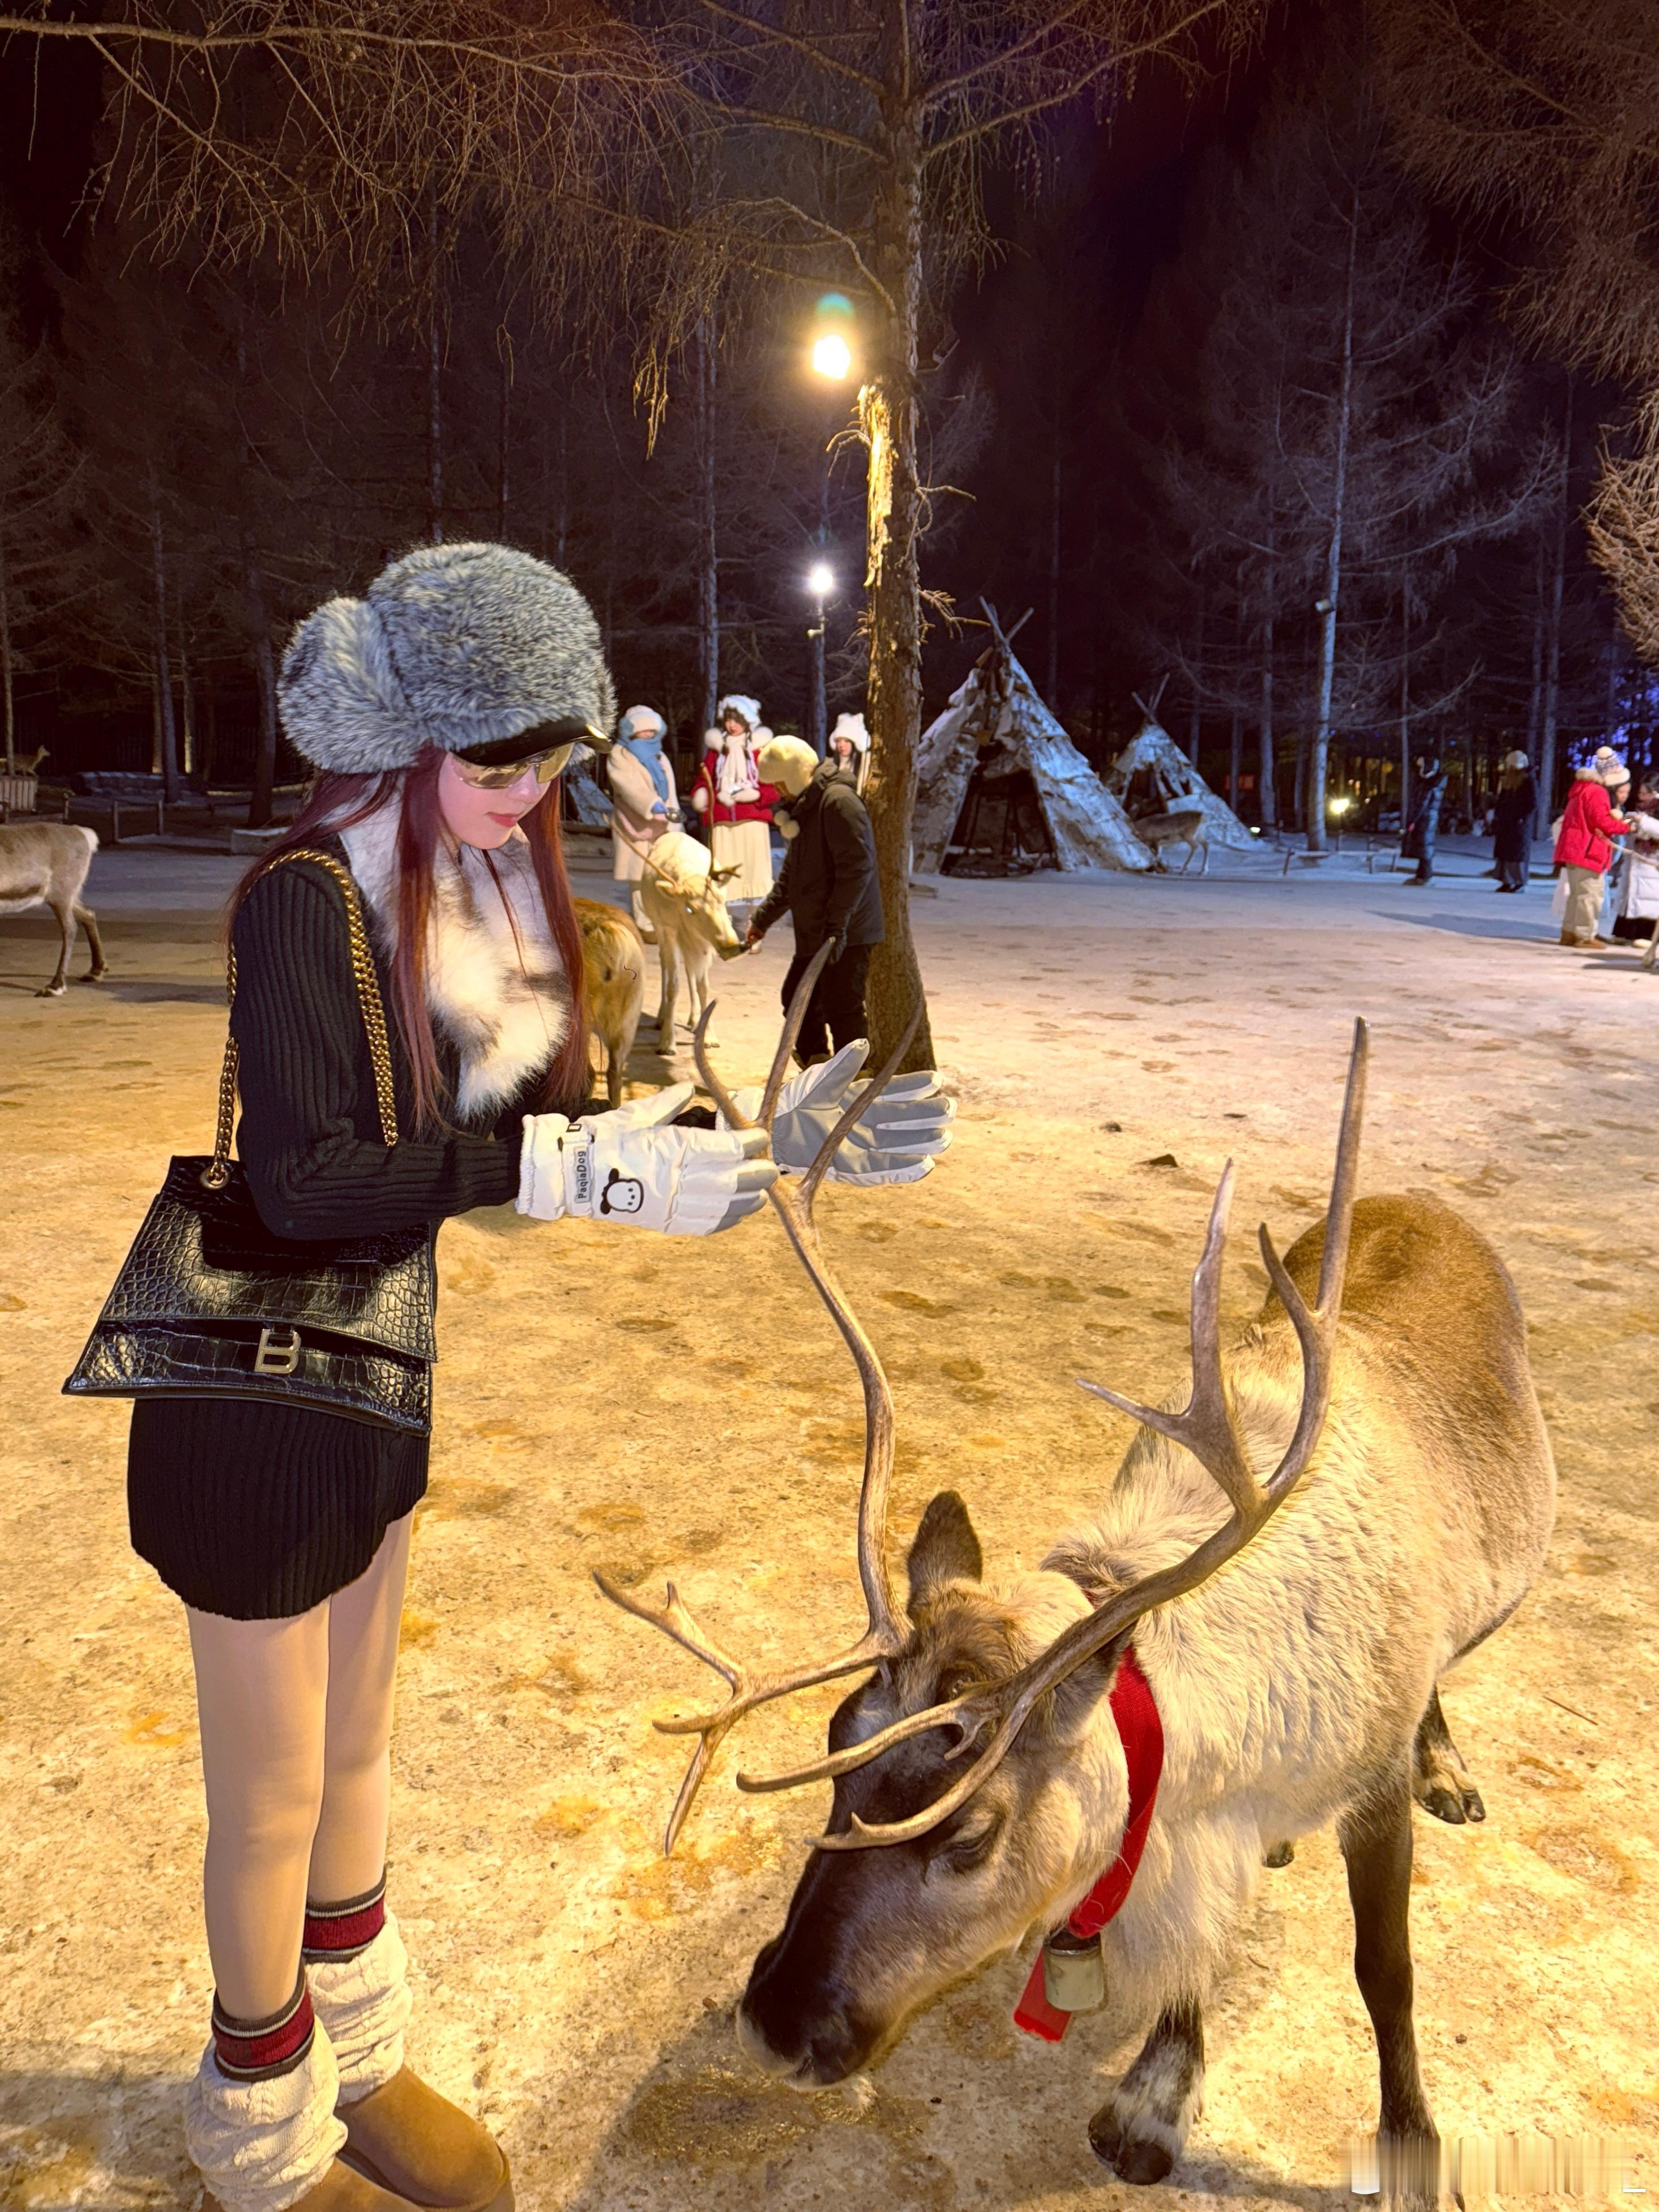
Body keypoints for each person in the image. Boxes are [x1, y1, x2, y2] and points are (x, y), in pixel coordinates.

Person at [123, 544, 945, 2212]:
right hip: (251, 1412)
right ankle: (260, 2139)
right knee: (269, 1794)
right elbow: (305, 1183)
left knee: (355, 1754)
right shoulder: (312, 900)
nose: (530, 796)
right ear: (407, 733)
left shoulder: (470, 899)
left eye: (552, 763)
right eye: (501, 761)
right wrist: (563, 1173)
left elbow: (526, 1142)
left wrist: (772, 1143)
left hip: (368, 1370)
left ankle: (353, 2055)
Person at [746, 735, 883, 1063]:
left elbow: (857, 868)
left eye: (779, 783)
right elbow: (792, 876)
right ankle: (816, 1064)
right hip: (820, 930)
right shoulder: (806, 807)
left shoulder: (838, 802)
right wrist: (763, 919)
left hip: (846, 930)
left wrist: (838, 926)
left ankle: (853, 1079)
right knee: (798, 998)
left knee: (842, 1008)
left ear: (794, 773)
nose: (777, 793)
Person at [688, 694, 777, 902]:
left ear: (748, 722)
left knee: (754, 871)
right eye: (728, 720)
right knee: (724, 872)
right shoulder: (717, 751)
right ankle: (723, 920)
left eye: (737, 720)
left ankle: (754, 924)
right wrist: (702, 794)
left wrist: (757, 795)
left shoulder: (760, 750)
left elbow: (774, 783)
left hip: (752, 819)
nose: (732, 725)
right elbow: (705, 779)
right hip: (723, 820)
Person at [1553, 751, 1633, 947]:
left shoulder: (1582, 788)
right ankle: (1584, 935)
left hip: (1575, 849)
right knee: (1590, 895)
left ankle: (1570, 932)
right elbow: (1601, 821)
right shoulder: (1597, 792)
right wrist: (1626, 827)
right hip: (1587, 850)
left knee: (1578, 894)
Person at [609, 704, 678, 932]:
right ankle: (644, 923)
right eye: (643, 728)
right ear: (632, 729)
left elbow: (670, 787)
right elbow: (627, 785)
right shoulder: (621, 754)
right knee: (638, 873)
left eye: (652, 729)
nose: (648, 733)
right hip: (634, 820)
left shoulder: (659, 754)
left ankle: (659, 918)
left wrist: (671, 811)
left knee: (659, 871)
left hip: (662, 822)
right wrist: (650, 804)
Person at [1611, 774, 1659, 942]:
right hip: (1636, 861)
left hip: (1652, 863)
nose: (1641, 797)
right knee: (1632, 895)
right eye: (1639, 793)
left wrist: (1643, 823)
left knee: (1649, 897)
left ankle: (1646, 934)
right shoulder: (1643, 810)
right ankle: (1625, 932)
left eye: (1644, 793)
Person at [1491, 749, 1538, 892]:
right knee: (1506, 853)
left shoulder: (1529, 780)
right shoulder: (1509, 780)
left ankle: (1519, 882)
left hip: (1519, 824)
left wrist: (1522, 818)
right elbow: (1502, 800)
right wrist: (1498, 815)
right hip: (1507, 822)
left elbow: (1533, 803)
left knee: (1516, 855)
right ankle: (1507, 881)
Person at [1400, 754, 1447, 885]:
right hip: (1427, 819)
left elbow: (1422, 804)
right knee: (1424, 847)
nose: (1419, 769)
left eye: (1421, 767)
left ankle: (1425, 876)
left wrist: (1413, 821)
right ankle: (1422, 875)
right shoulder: (1432, 784)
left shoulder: (1430, 786)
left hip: (1425, 820)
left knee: (1425, 848)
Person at [825, 710, 871, 795]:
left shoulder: (864, 762)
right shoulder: (830, 764)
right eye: (838, 741)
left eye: (846, 741)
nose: (841, 745)